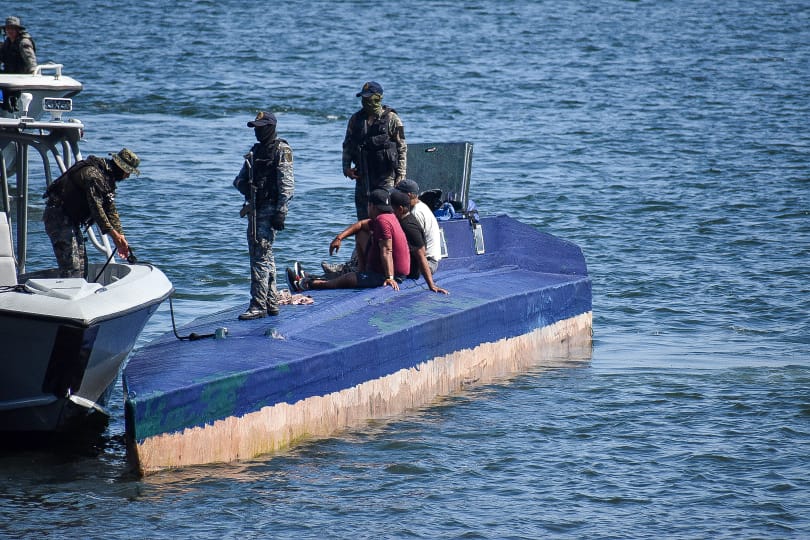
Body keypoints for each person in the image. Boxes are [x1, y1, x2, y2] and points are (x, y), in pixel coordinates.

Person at [233, 111, 295, 320]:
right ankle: (270, 302)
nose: (257, 132)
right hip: (255, 208)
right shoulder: (255, 151)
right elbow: (238, 179)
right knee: (265, 256)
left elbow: (287, 185)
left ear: (270, 127)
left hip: (270, 209)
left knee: (260, 257)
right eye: (255, 128)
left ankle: (258, 305)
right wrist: (245, 186)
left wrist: (281, 212)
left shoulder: (281, 150)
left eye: (260, 128)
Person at [42, 148, 141, 278]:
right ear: (120, 167)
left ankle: (79, 286)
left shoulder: (107, 177)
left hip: (71, 220)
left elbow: (110, 208)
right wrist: (114, 236)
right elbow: (97, 209)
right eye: (127, 172)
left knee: (82, 267)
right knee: (72, 268)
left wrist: (120, 236)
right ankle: (70, 288)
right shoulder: (93, 175)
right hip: (59, 218)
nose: (128, 176)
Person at [287, 189, 409, 292]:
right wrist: (339, 238)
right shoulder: (388, 217)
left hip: (391, 275)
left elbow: (387, 250)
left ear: (371, 206)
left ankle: (308, 284)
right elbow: (360, 225)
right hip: (381, 269)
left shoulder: (382, 221)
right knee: (361, 233)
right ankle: (361, 272)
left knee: (348, 279)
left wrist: (390, 278)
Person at [342, 81, 407, 221]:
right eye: (363, 99)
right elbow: (347, 145)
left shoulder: (393, 120)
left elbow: (402, 148)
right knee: (364, 219)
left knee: (385, 217)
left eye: (369, 99)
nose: (365, 102)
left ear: (378, 98)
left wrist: (401, 176)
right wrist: (346, 168)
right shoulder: (355, 120)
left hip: (385, 178)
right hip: (363, 177)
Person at [390, 189, 448, 295]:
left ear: (400, 209)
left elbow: (421, 255)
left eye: (392, 209)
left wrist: (431, 285)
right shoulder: (405, 219)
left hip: (414, 269)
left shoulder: (409, 226)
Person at [394, 179, 443, 277]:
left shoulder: (416, 213)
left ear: (408, 195)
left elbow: (419, 249)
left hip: (428, 263)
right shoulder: (419, 205)